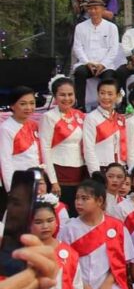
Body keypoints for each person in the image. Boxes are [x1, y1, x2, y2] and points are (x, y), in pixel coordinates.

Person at [58, 179, 134, 289]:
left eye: (85, 198)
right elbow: (64, 265)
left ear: (100, 201)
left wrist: (108, 283)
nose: (79, 203)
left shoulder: (117, 227)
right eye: (77, 198)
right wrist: (83, 286)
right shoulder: (68, 230)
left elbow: (123, 262)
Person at [38, 77, 86, 210]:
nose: (67, 98)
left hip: (80, 170)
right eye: (62, 95)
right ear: (55, 96)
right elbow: (44, 148)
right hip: (59, 170)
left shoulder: (80, 115)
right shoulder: (48, 117)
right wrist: (53, 181)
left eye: (70, 94)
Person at [71, 0, 120, 110]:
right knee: (80, 72)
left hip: (105, 65)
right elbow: (77, 47)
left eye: (96, 8)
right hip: (86, 64)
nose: (93, 11)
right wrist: (87, 62)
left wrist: (102, 64)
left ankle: (107, 106)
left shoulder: (111, 27)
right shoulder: (80, 27)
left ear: (102, 9)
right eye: (90, 9)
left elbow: (114, 49)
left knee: (109, 77)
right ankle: (80, 106)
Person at [0, 87, 43, 189]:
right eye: (23, 104)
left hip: (35, 178)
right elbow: (5, 161)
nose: (28, 107)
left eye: (32, 103)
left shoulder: (34, 125)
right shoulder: (6, 129)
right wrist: (11, 188)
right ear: (12, 105)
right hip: (18, 181)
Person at [82, 79, 125, 175]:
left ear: (117, 96)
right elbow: (88, 149)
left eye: (110, 94)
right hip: (99, 167)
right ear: (98, 95)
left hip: (118, 168)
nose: (105, 97)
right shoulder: (91, 118)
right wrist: (95, 173)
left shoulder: (119, 118)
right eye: (102, 93)